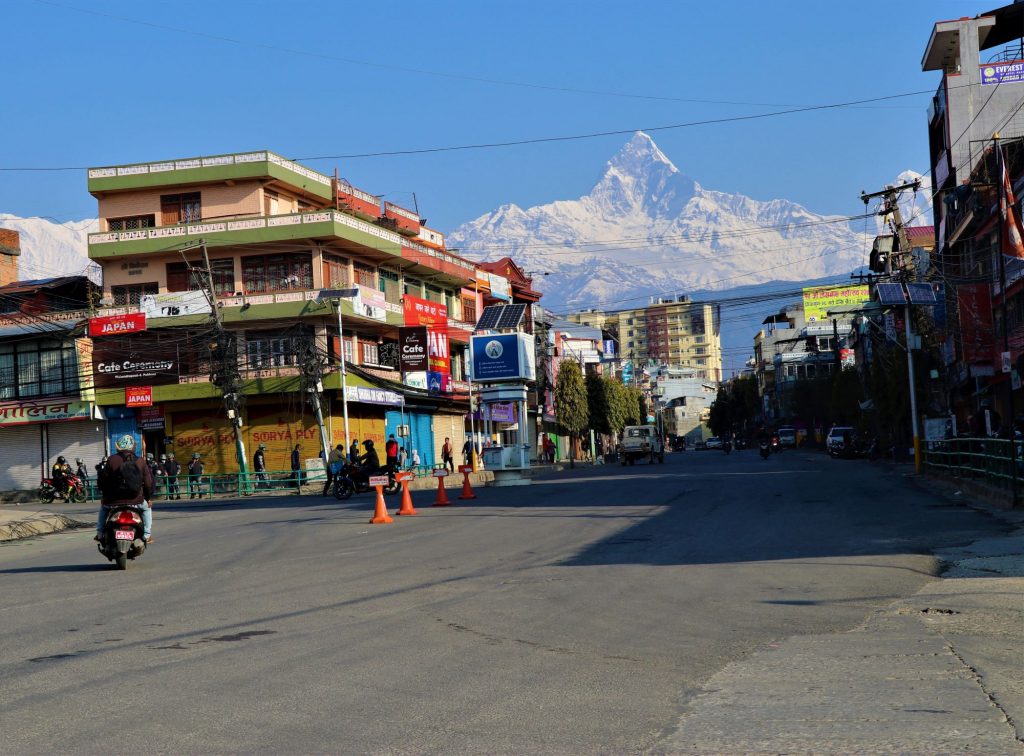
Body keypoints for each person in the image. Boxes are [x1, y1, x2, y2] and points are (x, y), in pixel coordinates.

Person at [95, 434, 154, 543]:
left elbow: (103, 481)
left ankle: (99, 533)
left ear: (118, 447)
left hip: (113, 501)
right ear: (133, 447)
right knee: (147, 509)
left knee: (103, 508)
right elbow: (148, 483)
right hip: (137, 500)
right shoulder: (140, 461)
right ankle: (147, 535)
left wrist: (104, 496)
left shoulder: (111, 460)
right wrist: (148, 498)